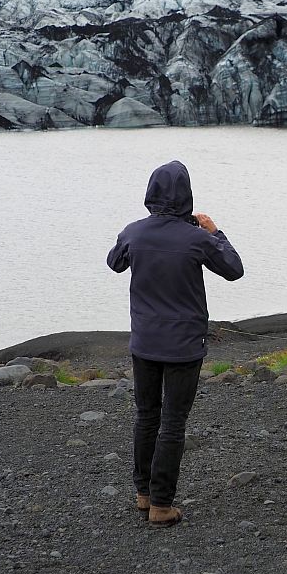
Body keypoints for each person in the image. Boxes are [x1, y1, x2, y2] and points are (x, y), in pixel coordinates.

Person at [107, 160, 244, 527]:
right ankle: (162, 505)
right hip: (184, 344)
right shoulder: (197, 238)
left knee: (146, 415)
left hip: (145, 341)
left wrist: (134, 240)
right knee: (172, 421)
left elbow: (114, 263)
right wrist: (216, 232)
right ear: (186, 196)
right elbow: (234, 269)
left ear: (150, 194)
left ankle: (144, 494)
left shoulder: (134, 233)